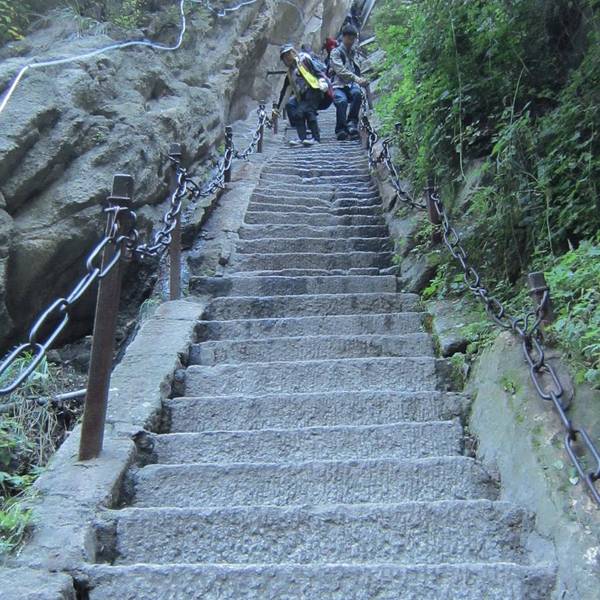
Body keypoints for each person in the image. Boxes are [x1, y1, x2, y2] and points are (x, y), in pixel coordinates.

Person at [276, 44, 326, 147]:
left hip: (314, 90)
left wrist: (322, 81)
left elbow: (317, 71)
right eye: (285, 56)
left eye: (289, 54)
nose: (287, 57)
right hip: (303, 95)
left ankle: (316, 138)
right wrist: (277, 110)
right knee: (299, 113)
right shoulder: (290, 73)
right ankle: (303, 138)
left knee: (308, 112)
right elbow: (285, 92)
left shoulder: (304, 60)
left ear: (293, 52)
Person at [329, 24, 368, 141]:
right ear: (343, 37)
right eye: (349, 38)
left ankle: (352, 123)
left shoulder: (354, 52)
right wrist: (357, 79)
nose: (351, 41)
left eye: (353, 39)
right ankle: (341, 129)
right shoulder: (336, 53)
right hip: (338, 85)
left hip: (352, 85)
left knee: (357, 94)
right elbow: (340, 70)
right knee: (342, 101)